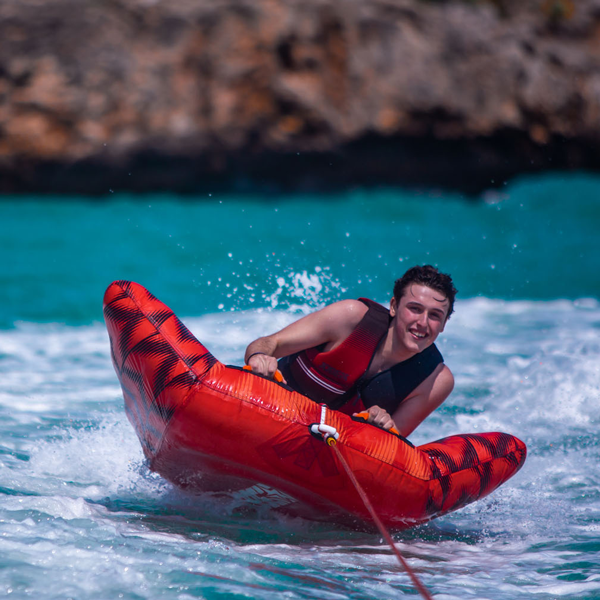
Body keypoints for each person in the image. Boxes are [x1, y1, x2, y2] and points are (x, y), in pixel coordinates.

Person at [244, 265, 456, 438]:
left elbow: (391, 446)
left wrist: (382, 424)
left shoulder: (435, 381)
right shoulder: (351, 319)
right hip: (268, 413)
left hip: (327, 450)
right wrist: (259, 357)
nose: (422, 323)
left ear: (445, 323)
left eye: (435, 315)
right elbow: (268, 343)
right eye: (415, 309)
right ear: (393, 306)